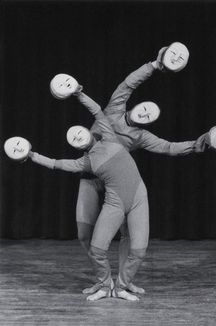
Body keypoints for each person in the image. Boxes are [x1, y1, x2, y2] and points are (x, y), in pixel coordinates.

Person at [56, 45, 209, 295]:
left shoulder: (140, 136)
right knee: (84, 233)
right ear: (137, 106)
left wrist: (197, 144)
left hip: (118, 183)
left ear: (149, 119)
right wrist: (154, 66)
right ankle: (103, 280)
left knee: (128, 234)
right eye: (145, 108)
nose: (145, 113)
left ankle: (123, 282)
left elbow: (169, 147)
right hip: (90, 175)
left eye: (150, 115)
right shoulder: (113, 108)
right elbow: (129, 84)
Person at [28, 91, 151, 301]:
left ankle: (121, 287)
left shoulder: (109, 135)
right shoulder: (85, 163)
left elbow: (96, 109)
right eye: (75, 140)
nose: (79, 137)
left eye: (80, 133)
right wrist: (30, 155)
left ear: (89, 131)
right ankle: (105, 285)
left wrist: (78, 93)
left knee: (139, 251)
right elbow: (56, 163)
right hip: (115, 204)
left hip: (139, 198)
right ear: (78, 146)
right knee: (96, 250)